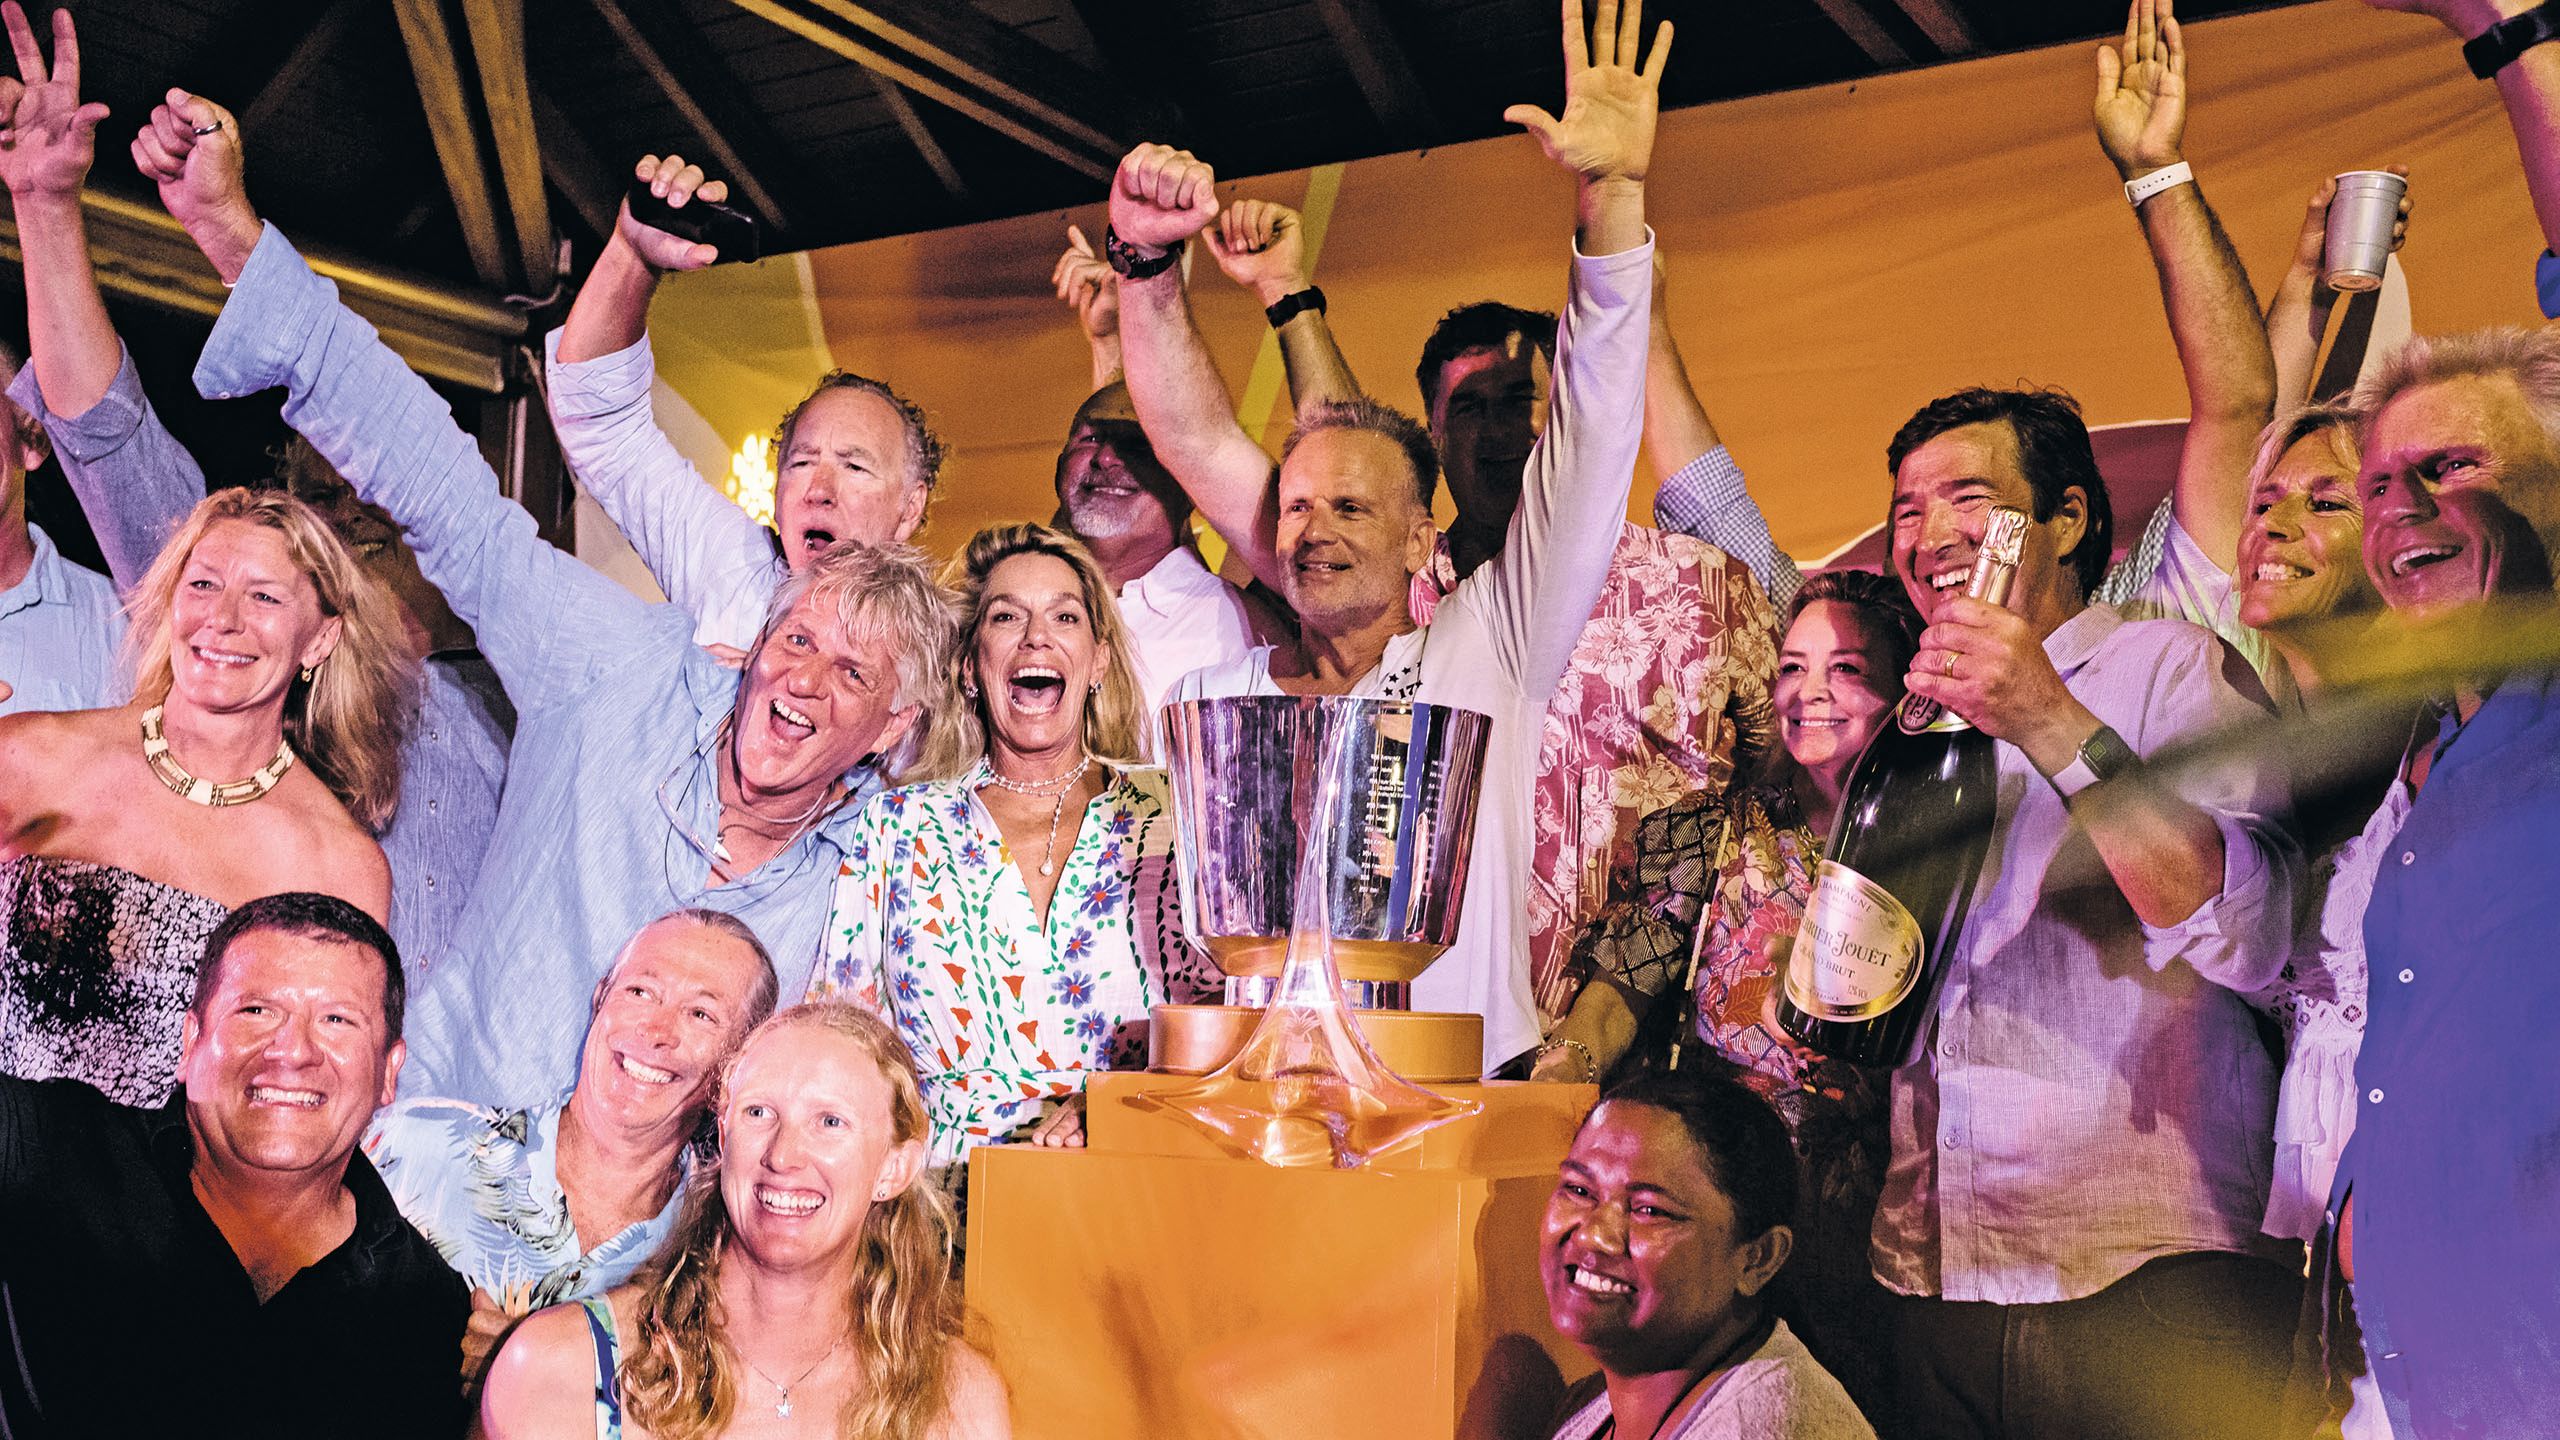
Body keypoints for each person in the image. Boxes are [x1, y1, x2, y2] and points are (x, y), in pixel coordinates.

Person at [150, 89, 955, 1109]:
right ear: (754, 640)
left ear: (896, 724)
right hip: (432, 1170)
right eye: (794, 640)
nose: (805, 679)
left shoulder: (874, 881)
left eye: (852, 672)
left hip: (655, 1217)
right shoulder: (622, 672)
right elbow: (448, 496)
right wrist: (231, 235)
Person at [1114, 0, 1668, 1074]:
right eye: (1296, 508)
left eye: (1351, 510)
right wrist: (1142, 261)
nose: (1311, 531)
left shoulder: (1487, 647)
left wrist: (1613, 198)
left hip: (1456, 1107)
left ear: (1422, 541)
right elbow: (1191, 436)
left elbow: (1595, 435)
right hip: (1263, 1110)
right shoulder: (1221, 696)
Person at [0, 1, 512, 977]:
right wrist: (47, 206)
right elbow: (106, 432)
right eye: (321, 494)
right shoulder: (238, 624)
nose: (351, 512)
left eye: (371, 490)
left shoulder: (512, 705)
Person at [1198, 202, 1781, 1042]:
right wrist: (1288, 299)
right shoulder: (1396, 600)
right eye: (1468, 409)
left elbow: (1783, 778)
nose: (1502, 429)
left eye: (1521, 399)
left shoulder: (1697, 584)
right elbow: (1346, 462)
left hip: (1662, 1036)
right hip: (1454, 1041)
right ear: (1435, 437)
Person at [1871, 381, 2302, 1440]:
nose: (1928, 535)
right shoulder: (1912, 726)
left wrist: (2048, 718)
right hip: (1932, 1276)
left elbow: (2252, 934)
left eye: (1967, 498)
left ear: (2065, 518)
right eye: (1906, 510)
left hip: (2142, 1270)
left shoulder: (2170, 667)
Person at [1547, 571, 1921, 1418]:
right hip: (1715, 1212)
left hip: (1874, 1230)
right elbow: (1617, 994)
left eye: (1846, 669)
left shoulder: (1938, 849)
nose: (1809, 692)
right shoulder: (1713, 831)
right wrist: (1562, 1068)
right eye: (1792, 667)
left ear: (1906, 695)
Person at [2315, 326, 2560, 1438]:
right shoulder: (2429, 763)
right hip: (2419, 1387)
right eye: (2375, 485)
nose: (2399, 508)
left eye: (2452, 466)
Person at [812, 523, 1219, 1183]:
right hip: (938, 1205)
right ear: (971, 668)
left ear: (1099, 662)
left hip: (1136, 1186)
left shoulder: (1177, 813)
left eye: (1065, 616)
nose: (1036, 637)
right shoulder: (896, 826)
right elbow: (841, 1038)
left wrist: (1118, 1106)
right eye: (1006, 617)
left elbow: (1238, 1027)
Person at [0, 481, 408, 1107]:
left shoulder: (339, 866)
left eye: (264, 596)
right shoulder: (34, 756)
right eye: (203, 584)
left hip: (170, 1171)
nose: (223, 618)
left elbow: (311, 1095)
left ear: (320, 640)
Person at [0, 892, 466, 1437]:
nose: (292, 1051)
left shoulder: (430, 1317)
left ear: (389, 1071)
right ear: (190, 1043)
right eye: (256, 1011)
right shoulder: (42, 1144)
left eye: (337, 1019)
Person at [479, 1001, 1011, 1439]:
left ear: (894, 1169)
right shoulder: (560, 1369)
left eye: (830, 1122)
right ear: (723, 1136)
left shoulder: (958, 1401)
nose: (783, 1155)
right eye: (759, 1113)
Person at [367, 909, 781, 1396]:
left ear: (737, 1070)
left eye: (701, 1015)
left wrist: (545, 1373)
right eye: (640, 992)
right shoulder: (411, 1145)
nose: (656, 1031)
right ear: (599, 999)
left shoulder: (717, 1267)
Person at [548, 152, 941, 653]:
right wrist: (631, 256)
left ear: (910, 508)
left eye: (855, 467)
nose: (819, 491)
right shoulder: (733, 569)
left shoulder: (947, 654)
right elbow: (604, 428)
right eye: (801, 463)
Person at [1539, 1068, 1873, 1440]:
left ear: (1758, 1259)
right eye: (1579, 1190)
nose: (1595, 1235)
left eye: (1650, 1210)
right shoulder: (1595, 1397)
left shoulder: (1761, 1427)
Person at [1046, 379, 1287, 720]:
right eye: (1091, 438)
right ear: (1059, 466)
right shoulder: (1008, 603)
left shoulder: (1237, 627)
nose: (1106, 458)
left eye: (1138, 444)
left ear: (1190, 484)